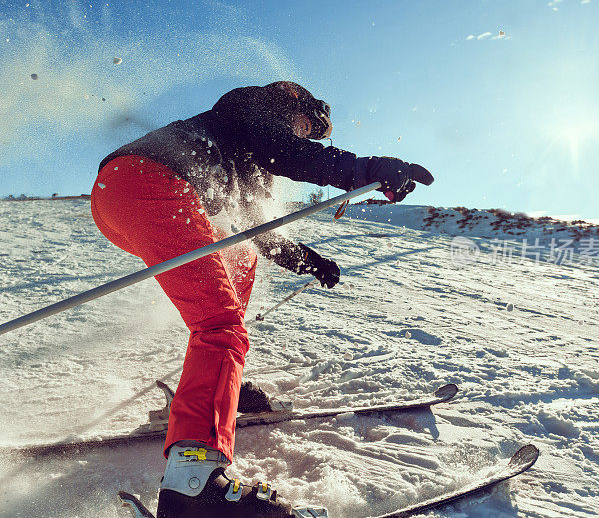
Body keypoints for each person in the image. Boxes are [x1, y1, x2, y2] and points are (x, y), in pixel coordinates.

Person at [90, 81, 433, 518]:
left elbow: (257, 229)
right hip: (152, 183)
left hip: (122, 196)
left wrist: (309, 260)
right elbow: (286, 152)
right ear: (297, 104)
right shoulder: (261, 106)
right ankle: (193, 486)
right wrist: (366, 169)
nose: (304, 135)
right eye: (308, 125)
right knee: (220, 325)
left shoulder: (248, 157)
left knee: (239, 260)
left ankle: (215, 395)